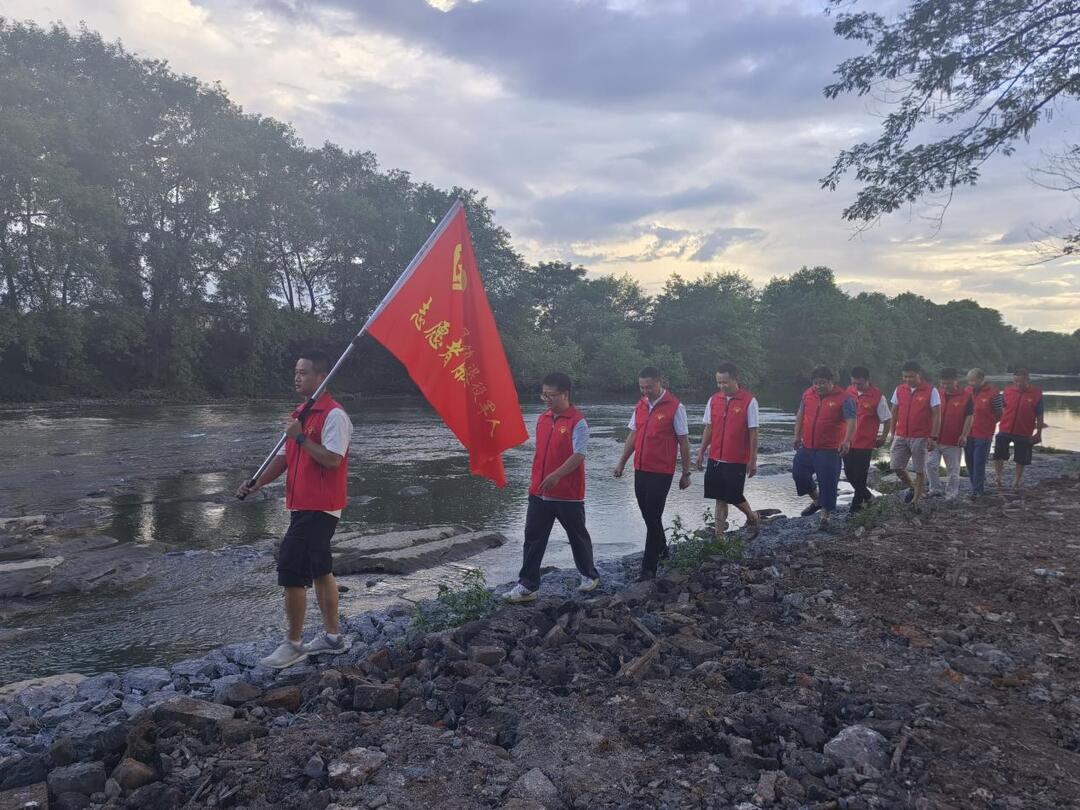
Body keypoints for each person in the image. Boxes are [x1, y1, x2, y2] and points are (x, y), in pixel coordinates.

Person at [235, 350, 353, 669]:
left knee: (290, 569)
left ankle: (294, 644)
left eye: (303, 372)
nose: (297, 377)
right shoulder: (301, 412)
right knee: (320, 569)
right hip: (303, 505)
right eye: (296, 371)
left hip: (320, 506)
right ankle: (332, 638)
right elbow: (285, 458)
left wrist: (300, 437)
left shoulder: (334, 416)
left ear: (320, 378)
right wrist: (257, 482)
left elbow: (332, 459)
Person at [503, 372, 601, 604]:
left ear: (565, 394)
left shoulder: (578, 422)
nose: (546, 399)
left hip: (567, 493)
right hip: (539, 491)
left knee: (577, 535)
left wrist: (557, 475)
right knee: (533, 538)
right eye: (543, 395)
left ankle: (589, 575)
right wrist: (537, 480)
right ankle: (527, 585)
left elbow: (579, 455)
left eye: (551, 395)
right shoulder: (543, 419)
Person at [613, 367, 692, 581]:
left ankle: (648, 569)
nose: (645, 391)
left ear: (660, 382)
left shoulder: (676, 407)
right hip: (641, 468)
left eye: (649, 387)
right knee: (647, 514)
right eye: (642, 387)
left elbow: (684, 441)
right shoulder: (641, 405)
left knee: (653, 514)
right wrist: (621, 462)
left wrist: (686, 472)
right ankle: (663, 551)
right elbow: (633, 436)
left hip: (662, 471)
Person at [696, 362, 762, 540]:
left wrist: (753, 459)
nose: (721, 386)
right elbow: (709, 428)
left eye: (725, 382)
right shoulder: (713, 400)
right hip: (716, 456)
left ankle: (753, 516)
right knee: (719, 496)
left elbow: (753, 431)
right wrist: (702, 451)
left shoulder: (749, 401)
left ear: (735, 379)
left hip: (737, 458)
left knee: (733, 495)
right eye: (718, 382)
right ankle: (719, 535)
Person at [792, 366, 856, 529]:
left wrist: (847, 441)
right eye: (816, 383)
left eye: (822, 383)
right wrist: (797, 435)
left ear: (831, 381)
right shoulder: (808, 394)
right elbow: (800, 414)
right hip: (807, 446)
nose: (819, 386)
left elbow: (851, 420)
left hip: (829, 449)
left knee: (828, 481)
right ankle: (817, 500)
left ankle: (824, 517)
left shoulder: (844, 398)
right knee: (799, 474)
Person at [887, 361, 941, 506]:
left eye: (911, 376)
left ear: (919, 375)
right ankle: (913, 487)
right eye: (905, 377)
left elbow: (936, 414)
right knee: (896, 466)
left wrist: (933, 437)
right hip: (901, 434)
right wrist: (893, 433)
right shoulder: (899, 389)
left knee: (919, 469)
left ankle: (916, 500)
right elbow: (894, 411)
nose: (908, 380)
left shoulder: (931, 390)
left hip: (921, 436)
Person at [845, 366, 892, 513]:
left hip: (865, 442)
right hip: (847, 440)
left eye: (859, 383)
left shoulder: (878, 397)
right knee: (849, 473)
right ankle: (869, 497)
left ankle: (856, 506)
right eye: (854, 383)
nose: (856, 386)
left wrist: (884, 437)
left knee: (860, 475)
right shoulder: (849, 391)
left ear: (867, 380)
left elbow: (887, 419)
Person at [993, 367, 1045, 490]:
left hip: (1024, 431)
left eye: (1021, 381)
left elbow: (1040, 415)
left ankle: (1017, 479)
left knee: (1021, 457)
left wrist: (1038, 433)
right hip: (1005, 428)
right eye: (1015, 381)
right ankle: (999, 476)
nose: (1018, 384)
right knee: (998, 455)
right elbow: (1001, 409)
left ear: (1028, 380)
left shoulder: (1036, 394)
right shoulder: (1007, 391)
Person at [926, 368, 973, 499]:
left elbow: (969, 417)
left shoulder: (966, 396)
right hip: (934, 438)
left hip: (953, 440)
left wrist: (964, 435)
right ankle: (935, 488)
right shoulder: (936, 394)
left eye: (949, 384)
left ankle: (952, 492)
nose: (946, 386)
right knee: (930, 464)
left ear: (956, 381)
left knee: (953, 469)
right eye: (943, 383)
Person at [964, 368, 1002, 497]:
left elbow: (999, 414)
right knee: (969, 461)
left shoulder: (994, 393)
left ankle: (977, 490)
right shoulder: (967, 391)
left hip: (984, 434)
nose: (970, 383)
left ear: (981, 379)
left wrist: (989, 424)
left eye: (973, 380)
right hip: (968, 433)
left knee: (979, 461)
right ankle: (974, 486)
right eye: (969, 380)